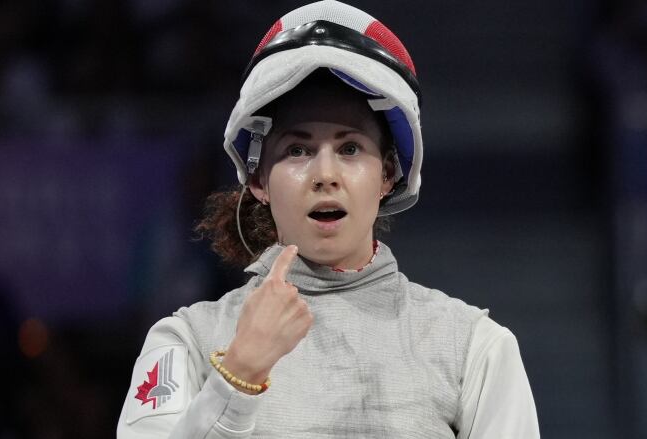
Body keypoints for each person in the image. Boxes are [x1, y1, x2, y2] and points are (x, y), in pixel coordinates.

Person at [117, 1, 539, 437]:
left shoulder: (473, 347)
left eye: (350, 149)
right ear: (259, 180)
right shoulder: (186, 342)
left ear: (388, 175)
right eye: (297, 150)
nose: (325, 175)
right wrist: (239, 373)